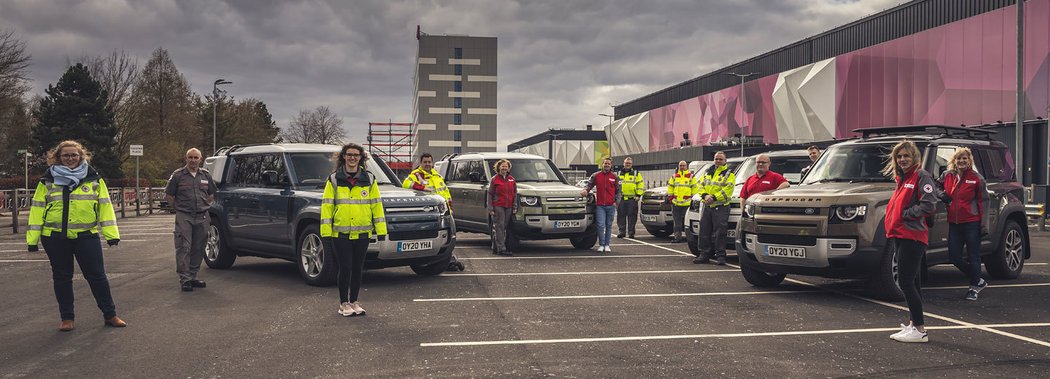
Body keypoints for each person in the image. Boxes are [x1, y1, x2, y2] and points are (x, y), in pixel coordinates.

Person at [27, 140, 126, 331]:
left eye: (74, 155)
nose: (70, 158)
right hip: (54, 237)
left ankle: (110, 314)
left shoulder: (94, 179)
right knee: (62, 278)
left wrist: (111, 234)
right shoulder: (47, 180)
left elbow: (105, 208)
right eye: (66, 155)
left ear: (81, 157)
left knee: (97, 276)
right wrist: (32, 240)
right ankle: (67, 318)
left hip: (86, 236)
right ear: (58, 158)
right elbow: (37, 210)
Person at [321, 143, 387, 317]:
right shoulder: (334, 179)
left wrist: (381, 230)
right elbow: (327, 207)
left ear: (361, 158)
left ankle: (355, 301)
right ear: (343, 156)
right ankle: (343, 303)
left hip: (363, 232)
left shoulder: (369, 179)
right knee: (345, 267)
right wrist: (326, 232)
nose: (352, 158)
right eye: (349, 155)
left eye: (356, 155)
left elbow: (377, 206)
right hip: (340, 233)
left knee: (358, 268)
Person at [884, 140, 937, 343]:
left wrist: (906, 214)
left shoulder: (921, 176)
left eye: (906, 155)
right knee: (913, 281)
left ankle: (920, 330)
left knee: (905, 282)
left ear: (914, 156)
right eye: (899, 156)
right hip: (900, 234)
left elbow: (929, 204)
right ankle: (914, 324)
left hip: (912, 236)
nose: (903, 159)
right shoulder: (902, 178)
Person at [938, 148, 990, 300]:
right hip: (954, 223)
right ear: (954, 160)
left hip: (972, 223)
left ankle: (974, 287)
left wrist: (984, 225)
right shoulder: (947, 175)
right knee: (954, 257)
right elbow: (935, 187)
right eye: (959, 158)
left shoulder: (976, 179)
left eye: (965, 158)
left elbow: (984, 202)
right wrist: (943, 195)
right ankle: (978, 278)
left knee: (974, 256)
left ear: (969, 161)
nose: (961, 161)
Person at [164, 148, 217, 292]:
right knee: (184, 247)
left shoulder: (205, 175)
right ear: (185, 158)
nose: (193, 160)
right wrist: (178, 209)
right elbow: (169, 195)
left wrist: (205, 204)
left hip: (202, 216)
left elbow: (211, 194)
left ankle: (193, 276)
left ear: (200, 159)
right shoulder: (178, 176)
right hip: (184, 216)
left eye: (196, 158)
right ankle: (185, 279)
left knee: (199, 247)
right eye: (190, 157)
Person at [402, 153, 463, 271]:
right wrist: (422, 188)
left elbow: (445, 192)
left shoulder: (437, 176)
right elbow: (405, 184)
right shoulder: (416, 175)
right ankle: (446, 261)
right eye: (425, 162)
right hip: (427, 213)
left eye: (429, 162)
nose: (427, 164)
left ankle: (448, 260)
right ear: (420, 163)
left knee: (447, 238)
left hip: (444, 212)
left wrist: (449, 207)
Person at [695, 152, 735, 265]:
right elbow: (700, 185)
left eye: (720, 159)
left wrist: (713, 197)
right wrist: (705, 196)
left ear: (725, 161)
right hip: (707, 206)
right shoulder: (708, 172)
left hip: (721, 206)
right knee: (704, 231)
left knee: (720, 233)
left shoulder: (729, 173)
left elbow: (728, 190)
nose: (718, 161)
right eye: (716, 159)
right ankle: (704, 255)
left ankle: (720, 256)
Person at [582, 157, 620, 252]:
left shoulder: (615, 177)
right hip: (600, 206)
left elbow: (619, 191)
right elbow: (589, 184)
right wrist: (585, 190)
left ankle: (607, 245)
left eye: (608, 163)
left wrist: (616, 202)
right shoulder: (596, 175)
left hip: (611, 205)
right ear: (602, 164)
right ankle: (601, 244)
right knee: (600, 225)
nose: (606, 165)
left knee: (608, 225)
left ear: (611, 165)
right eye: (605, 163)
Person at [488, 159, 517, 256]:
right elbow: (490, 194)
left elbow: (515, 194)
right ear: (498, 167)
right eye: (502, 166)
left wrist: (514, 206)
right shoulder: (494, 179)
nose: (504, 168)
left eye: (506, 166)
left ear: (508, 168)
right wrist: (490, 208)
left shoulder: (512, 179)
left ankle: (495, 247)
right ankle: (501, 249)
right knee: (499, 227)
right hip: (498, 206)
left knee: (503, 227)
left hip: (508, 206)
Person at [666, 160, 695, 243]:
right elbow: (670, 187)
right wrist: (671, 198)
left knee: (688, 222)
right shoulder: (674, 176)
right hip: (676, 203)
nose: (682, 167)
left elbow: (695, 188)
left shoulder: (691, 176)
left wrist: (693, 199)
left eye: (683, 165)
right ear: (678, 167)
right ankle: (677, 238)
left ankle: (690, 239)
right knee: (676, 222)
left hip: (687, 203)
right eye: (680, 165)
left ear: (687, 167)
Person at [616, 157, 644, 239]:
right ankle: (622, 232)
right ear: (623, 164)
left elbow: (640, 185)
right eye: (626, 163)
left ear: (631, 164)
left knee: (632, 216)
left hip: (632, 199)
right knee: (620, 216)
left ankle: (631, 233)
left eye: (629, 163)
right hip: (621, 199)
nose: (627, 164)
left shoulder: (636, 173)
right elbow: (615, 186)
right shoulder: (618, 173)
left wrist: (638, 195)